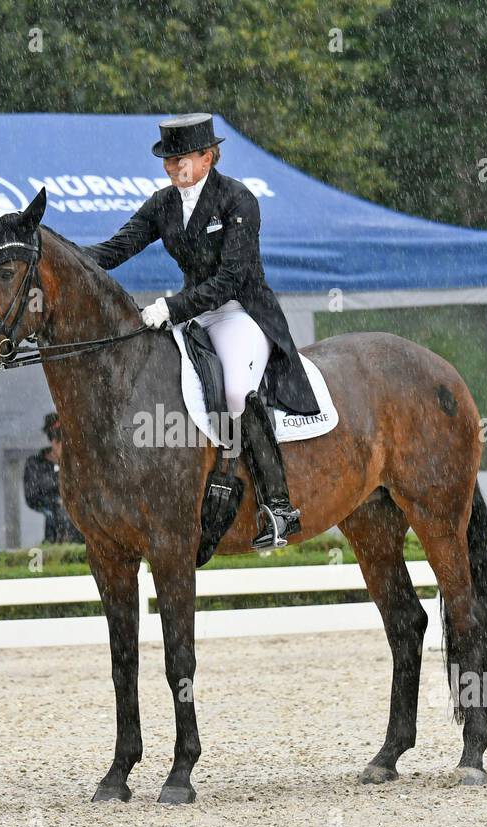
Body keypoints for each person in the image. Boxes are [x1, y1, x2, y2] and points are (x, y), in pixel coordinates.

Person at [80, 113, 321, 549]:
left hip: (240, 313)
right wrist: (61, 253)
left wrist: (170, 308)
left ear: (207, 157)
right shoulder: (163, 204)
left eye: (180, 160)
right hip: (195, 316)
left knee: (234, 392)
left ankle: (280, 507)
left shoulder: (238, 200)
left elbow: (230, 279)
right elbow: (115, 249)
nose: (173, 169)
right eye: (167, 162)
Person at [24, 412, 85, 545]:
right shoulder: (36, 464)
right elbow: (32, 496)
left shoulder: (79, 464)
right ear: (54, 443)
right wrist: (56, 502)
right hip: (54, 523)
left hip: (79, 526)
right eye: (63, 443)